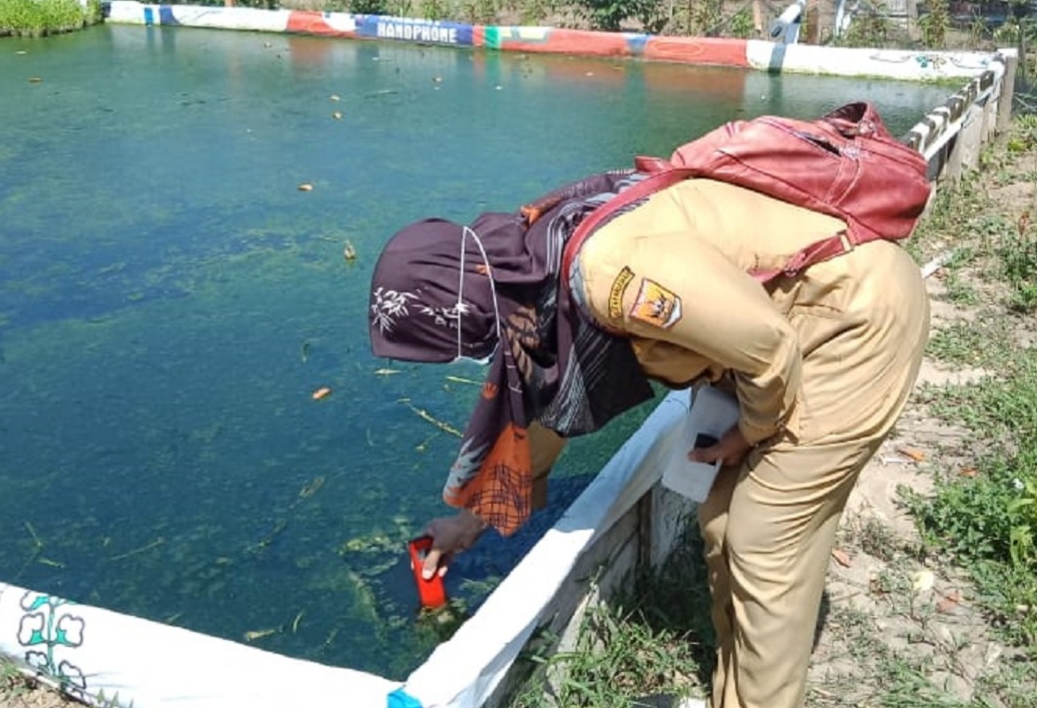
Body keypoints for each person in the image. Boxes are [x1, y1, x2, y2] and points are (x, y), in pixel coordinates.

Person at [367, 165, 929, 708]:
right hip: (790, 334)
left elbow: (768, 344)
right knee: (722, 522)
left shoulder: (610, 274)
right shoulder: (539, 258)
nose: (478, 353)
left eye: (465, 337)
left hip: (850, 327)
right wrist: (470, 521)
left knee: (763, 544)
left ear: (468, 297)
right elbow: (553, 408)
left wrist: (746, 433)